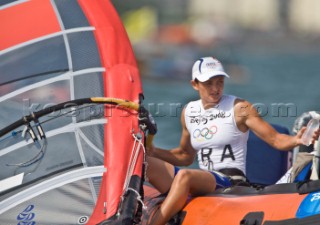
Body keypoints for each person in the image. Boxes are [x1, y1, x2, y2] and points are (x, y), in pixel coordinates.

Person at [145, 56, 320, 225]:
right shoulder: (188, 112)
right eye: (208, 83)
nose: (215, 88)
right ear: (195, 84)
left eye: (219, 81)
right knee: (147, 163)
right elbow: (185, 156)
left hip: (229, 180)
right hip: (203, 180)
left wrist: (296, 139)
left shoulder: (240, 108)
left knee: (185, 176)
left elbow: (275, 139)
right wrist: (154, 151)